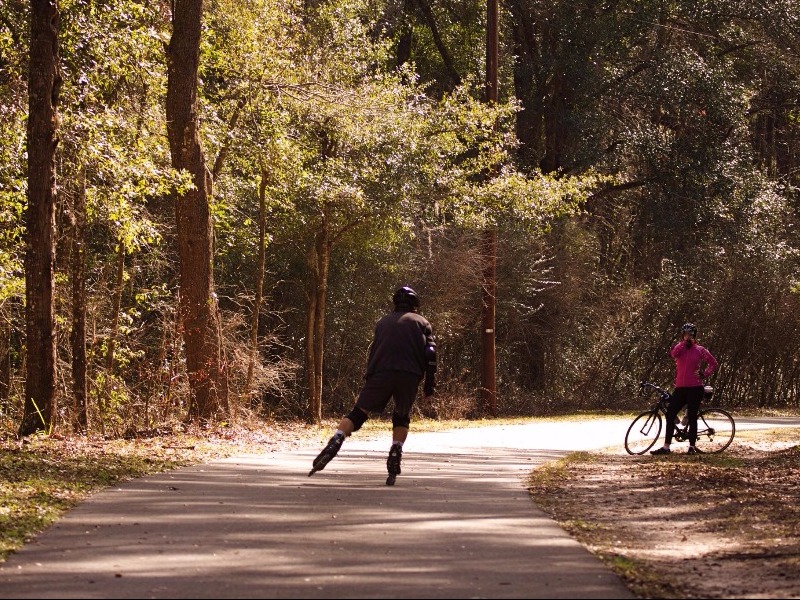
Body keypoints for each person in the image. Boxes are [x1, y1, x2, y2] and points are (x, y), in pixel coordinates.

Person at [308, 286, 437, 485]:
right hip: (409, 375)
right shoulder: (422, 322)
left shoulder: (382, 322)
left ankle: (337, 439)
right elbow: (430, 352)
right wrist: (430, 382)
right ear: (415, 305)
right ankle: (395, 451)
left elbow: (377, 349)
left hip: (380, 372)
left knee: (358, 412)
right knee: (401, 417)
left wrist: (370, 375)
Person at [651, 322, 718, 455]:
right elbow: (673, 354)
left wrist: (704, 374)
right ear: (683, 335)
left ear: (694, 336)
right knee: (670, 414)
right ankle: (666, 447)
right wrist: (683, 343)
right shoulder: (679, 348)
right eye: (685, 334)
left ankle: (692, 447)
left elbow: (713, 363)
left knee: (692, 416)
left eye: (690, 334)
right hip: (680, 387)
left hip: (695, 387)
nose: (688, 337)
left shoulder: (700, 350)